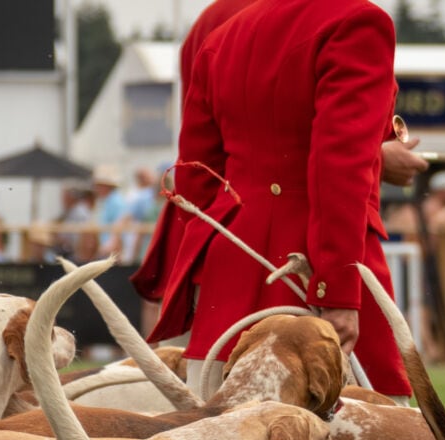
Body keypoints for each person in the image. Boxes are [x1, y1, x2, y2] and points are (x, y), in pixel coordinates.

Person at [139, 0, 425, 399]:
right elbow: (340, 165)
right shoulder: (358, 20)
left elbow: (195, 179)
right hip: (318, 270)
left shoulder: (222, 33)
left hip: (231, 278)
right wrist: (337, 293)